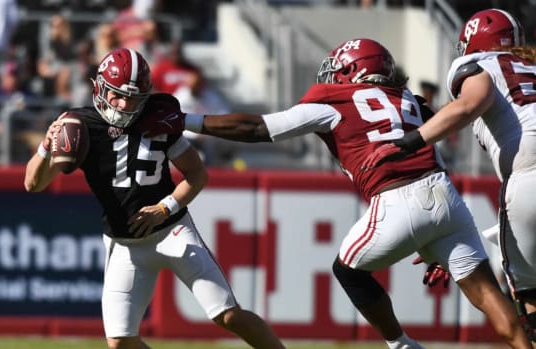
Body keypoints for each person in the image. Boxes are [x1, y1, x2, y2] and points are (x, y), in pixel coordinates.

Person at [142, 38, 532, 349]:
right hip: (446, 197)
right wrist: (435, 237)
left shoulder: (334, 100)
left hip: (397, 199)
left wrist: (187, 121)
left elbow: (259, 128)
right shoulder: (410, 100)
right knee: (499, 310)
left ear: (351, 70)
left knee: (348, 271)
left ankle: (400, 344)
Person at [23, 47, 285, 349]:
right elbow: (33, 183)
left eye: (133, 97)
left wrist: (164, 208)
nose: (124, 104)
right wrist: (46, 145)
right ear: (100, 88)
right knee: (120, 342)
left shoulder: (156, 120)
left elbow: (197, 175)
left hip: (172, 230)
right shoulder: (79, 125)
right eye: (117, 95)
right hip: (125, 244)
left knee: (227, 315)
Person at [361, 8, 536, 342]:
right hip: (526, 180)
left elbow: (473, 101)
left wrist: (410, 142)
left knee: (531, 298)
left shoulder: (478, 65)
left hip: (526, 176)